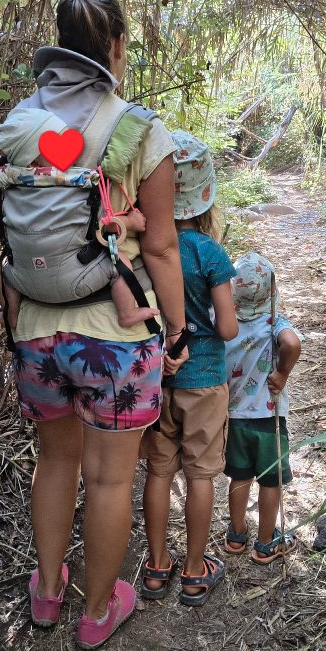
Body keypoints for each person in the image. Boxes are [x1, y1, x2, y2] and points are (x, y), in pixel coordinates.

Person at [4, 0, 186, 650]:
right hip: (115, 333)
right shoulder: (138, 128)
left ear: (60, 45)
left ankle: (48, 592)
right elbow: (161, 247)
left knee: (54, 463)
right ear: (115, 46)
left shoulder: (21, 123)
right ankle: (98, 611)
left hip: (36, 326)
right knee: (110, 477)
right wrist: (179, 329)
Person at [139, 131, 238, 606]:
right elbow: (229, 328)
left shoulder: (144, 245)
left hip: (156, 379)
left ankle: (157, 566)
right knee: (201, 476)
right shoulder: (210, 253)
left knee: (159, 472)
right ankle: (195, 571)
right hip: (205, 382)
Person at [0, 108, 160, 329]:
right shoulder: (74, 183)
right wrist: (131, 222)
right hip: (73, 283)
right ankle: (127, 313)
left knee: (5, 266)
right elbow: (103, 226)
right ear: (34, 161)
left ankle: (11, 316)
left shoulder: (8, 184)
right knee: (120, 262)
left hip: (24, 283)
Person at [222, 252, 302, 564]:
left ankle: (236, 535)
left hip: (235, 417)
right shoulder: (273, 323)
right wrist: (281, 374)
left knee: (239, 476)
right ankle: (266, 543)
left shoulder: (225, 324)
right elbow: (292, 344)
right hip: (269, 419)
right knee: (271, 480)